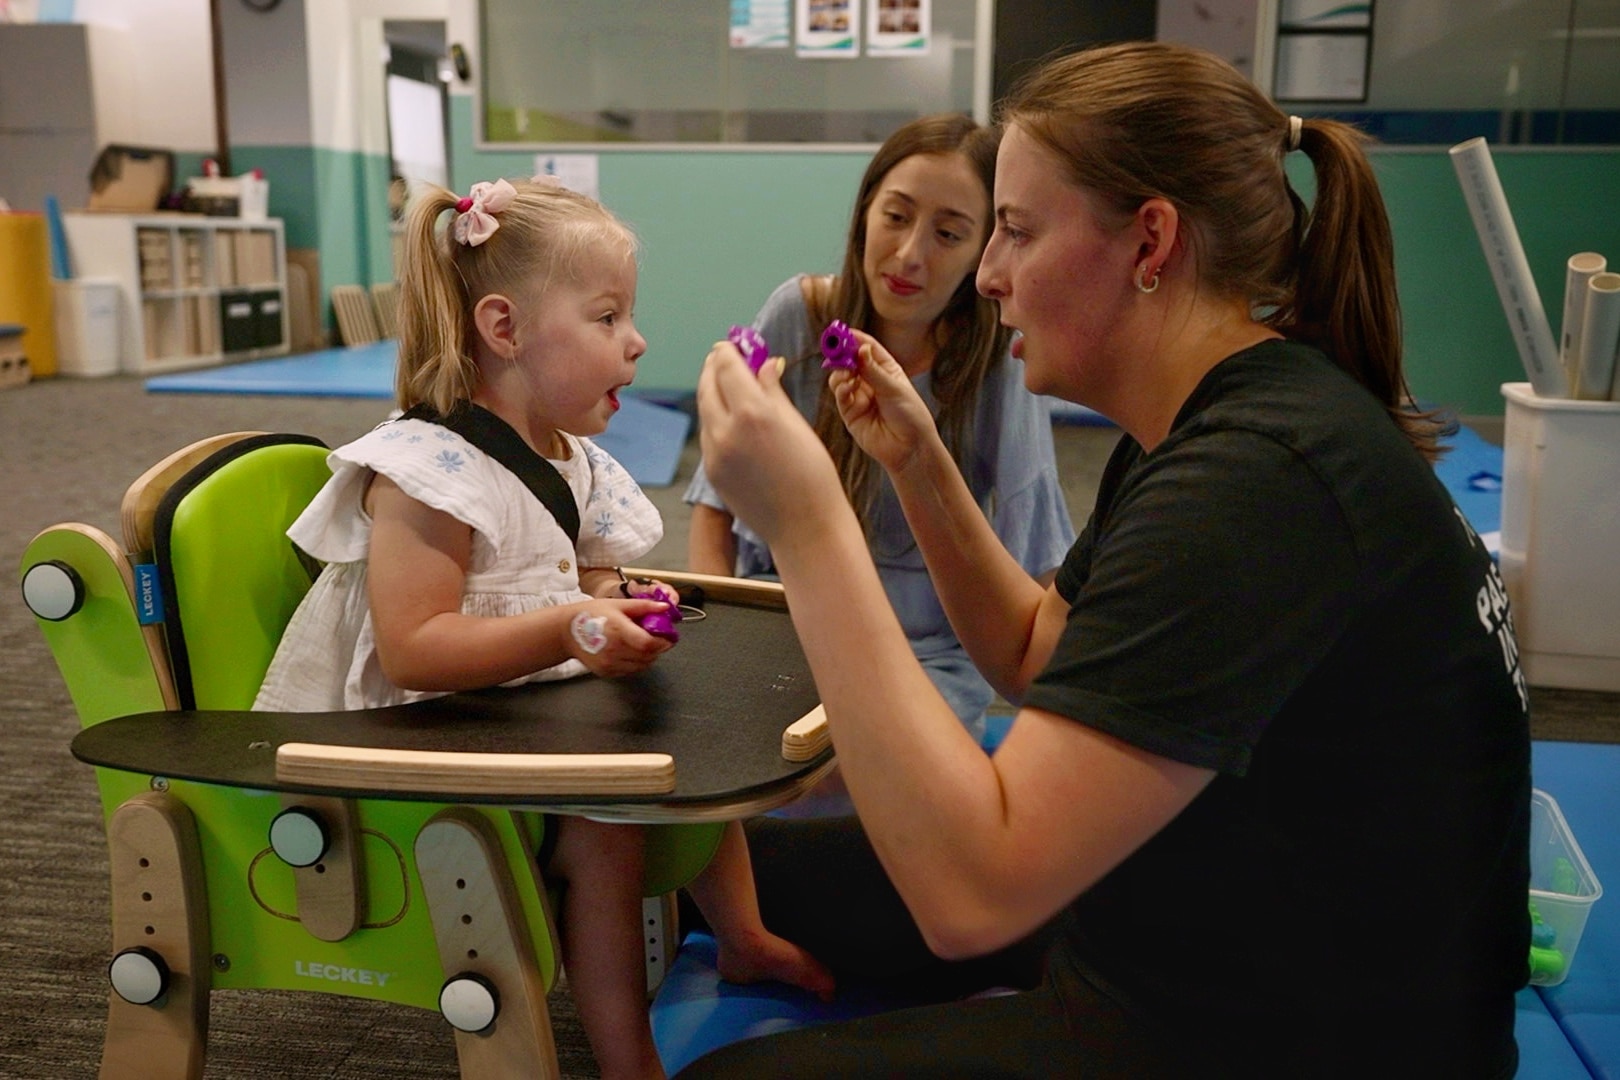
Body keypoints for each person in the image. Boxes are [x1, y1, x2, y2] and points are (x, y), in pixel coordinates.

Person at [684, 42, 1530, 1078]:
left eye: (1014, 231)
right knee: (722, 867)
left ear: (1151, 242)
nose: (987, 275)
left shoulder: (1254, 484)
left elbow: (972, 895)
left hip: (1277, 1028)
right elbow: (1042, 655)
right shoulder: (1214, 422)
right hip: (1195, 911)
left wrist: (811, 528)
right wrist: (915, 461)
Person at [254, 175, 829, 1080]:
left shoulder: (574, 459)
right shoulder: (424, 471)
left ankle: (744, 937)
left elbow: (580, 567)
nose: (636, 341)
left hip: (516, 712)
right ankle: (626, 1057)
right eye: (607, 319)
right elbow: (414, 648)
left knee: (690, 740)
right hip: (413, 739)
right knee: (607, 831)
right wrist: (570, 627)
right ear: (504, 329)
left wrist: (614, 597)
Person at [685, 112, 1075, 747]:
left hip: (925, 651)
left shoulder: (996, 360)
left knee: (869, 766)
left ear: (984, 252)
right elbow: (714, 500)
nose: (909, 256)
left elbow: (1037, 549)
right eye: (895, 216)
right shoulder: (799, 312)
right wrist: (713, 644)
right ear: (865, 212)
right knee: (731, 752)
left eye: (949, 234)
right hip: (788, 627)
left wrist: (1053, 710)